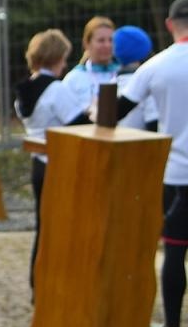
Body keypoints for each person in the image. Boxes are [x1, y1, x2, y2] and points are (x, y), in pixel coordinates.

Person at [115, 0, 188, 327]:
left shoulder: (155, 66)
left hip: (176, 171)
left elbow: (115, 111)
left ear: (170, 24)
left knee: (174, 251)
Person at [14, 28, 89, 289]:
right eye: (64, 57)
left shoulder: (23, 91)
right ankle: (58, 284)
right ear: (56, 57)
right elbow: (80, 124)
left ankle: (39, 282)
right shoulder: (56, 89)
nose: (66, 63)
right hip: (59, 164)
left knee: (44, 227)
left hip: (38, 163)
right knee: (61, 227)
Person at [63, 15, 118, 108]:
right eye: (101, 40)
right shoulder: (74, 78)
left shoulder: (122, 74)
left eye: (111, 40)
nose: (107, 45)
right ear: (87, 43)